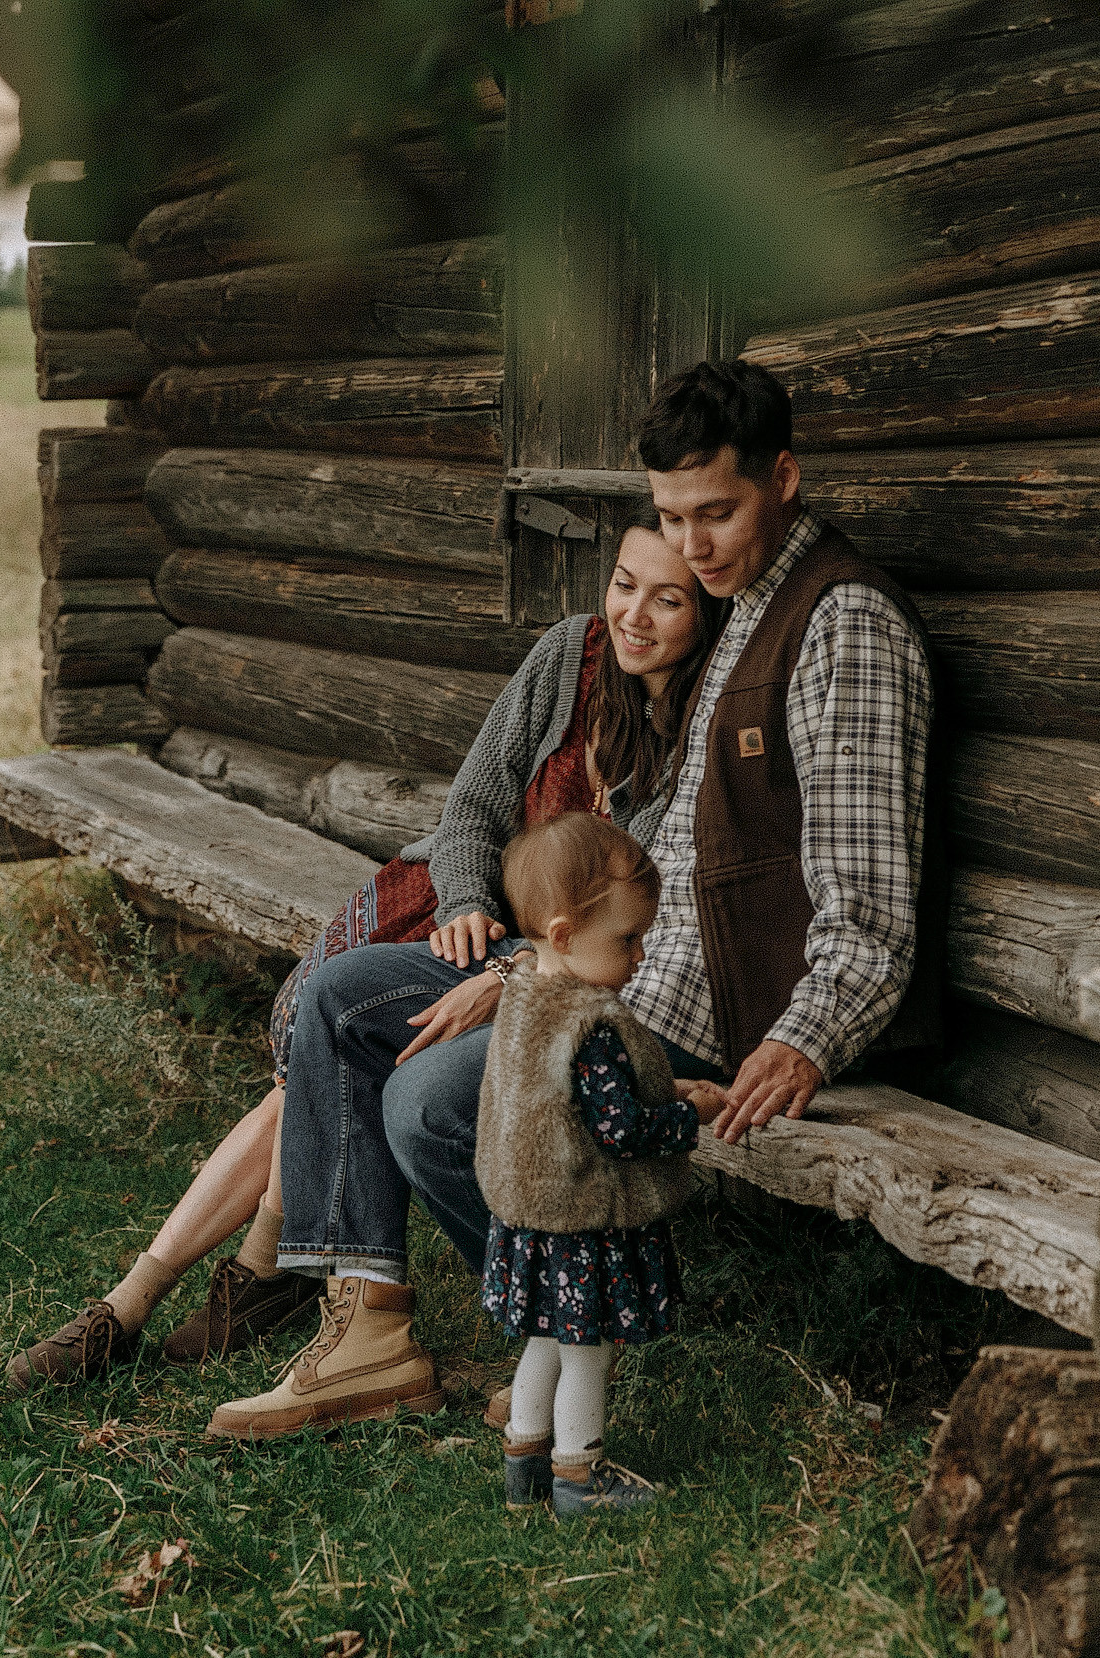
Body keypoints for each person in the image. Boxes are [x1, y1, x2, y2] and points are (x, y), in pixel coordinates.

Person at [208, 358, 937, 1441]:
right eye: (669, 517)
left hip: (710, 1007)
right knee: (348, 996)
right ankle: (369, 1331)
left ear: (784, 478)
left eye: (716, 513)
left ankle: (562, 1328)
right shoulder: (741, 603)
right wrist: (523, 970)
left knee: (432, 1103)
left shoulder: (843, 630)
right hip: (617, 963)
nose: (689, 546)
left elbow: (868, 896)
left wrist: (808, 1038)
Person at [4, 524, 726, 1390]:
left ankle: (190, 1291)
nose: (633, 615)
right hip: (462, 913)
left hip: (551, 972)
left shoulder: (698, 732)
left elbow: (607, 931)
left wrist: (502, 976)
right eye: (623, 583)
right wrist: (464, 904)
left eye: (668, 598)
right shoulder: (568, 654)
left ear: (708, 613)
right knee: (330, 1011)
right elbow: (472, 809)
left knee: (338, 1050)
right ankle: (211, 1288)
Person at [477, 814, 725, 1519]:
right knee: (587, 1349)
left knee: (543, 1342)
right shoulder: (593, 1026)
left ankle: (523, 1465)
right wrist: (691, 1116)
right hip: (584, 1220)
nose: (642, 953)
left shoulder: (524, 999)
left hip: (533, 1213)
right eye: (627, 938)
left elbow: (559, 1104)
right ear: (562, 934)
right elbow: (620, 1130)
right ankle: (580, 1475)